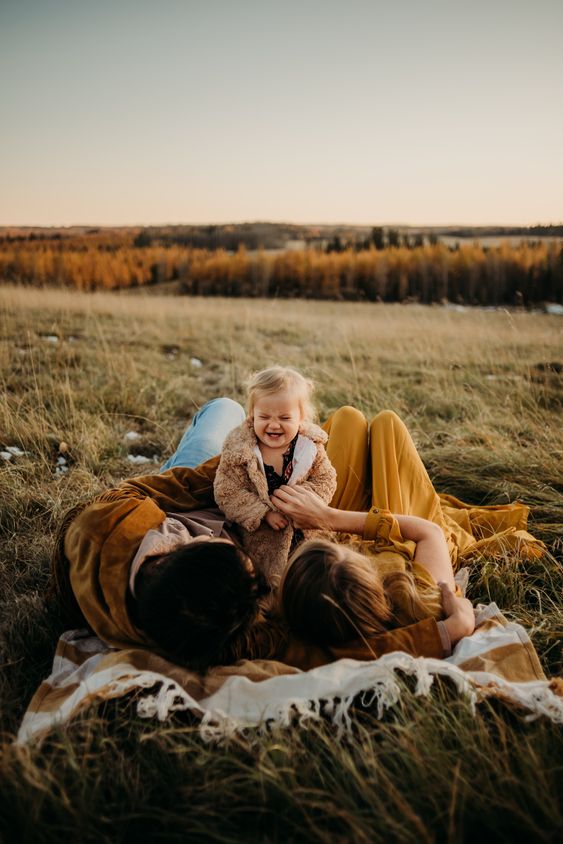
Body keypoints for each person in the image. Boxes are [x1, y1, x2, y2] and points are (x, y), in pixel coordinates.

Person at [53, 398, 537, 672]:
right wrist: (445, 632)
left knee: (223, 409)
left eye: (233, 553)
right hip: (262, 512)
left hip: (190, 489)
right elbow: (316, 651)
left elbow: (175, 486)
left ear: (187, 548)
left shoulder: (105, 523)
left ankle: (218, 427)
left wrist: (245, 475)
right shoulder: (211, 630)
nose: (255, 570)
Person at [213, 367, 337, 582]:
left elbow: (326, 479)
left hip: (306, 530)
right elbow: (227, 490)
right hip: (261, 540)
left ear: (301, 417)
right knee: (264, 580)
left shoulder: (310, 447)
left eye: (284, 417)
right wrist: (263, 513)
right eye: (264, 416)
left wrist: (302, 500)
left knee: (320, 572)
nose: (273, 424)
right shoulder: (240, 450)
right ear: (252, 415)